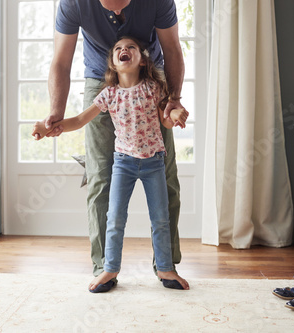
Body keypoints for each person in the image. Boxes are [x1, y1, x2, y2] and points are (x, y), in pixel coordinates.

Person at [44, 0, 187, 285]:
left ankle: (166, 265)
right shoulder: (74, 3)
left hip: (152, 79)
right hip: (100, 80)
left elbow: (171, 49)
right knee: (99, 179)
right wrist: (56, 115)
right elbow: (61, 60)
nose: (116, 10)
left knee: (166, 179)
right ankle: (104, 268)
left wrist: (173, 102)